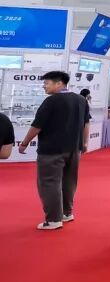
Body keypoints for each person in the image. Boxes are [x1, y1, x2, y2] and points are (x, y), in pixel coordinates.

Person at [18, 71, 90, 230]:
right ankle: (66, 213)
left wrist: (24, 143)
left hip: (51, 150)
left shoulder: (51, 101)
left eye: (47, 83)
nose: (44, 86)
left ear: (59, 83)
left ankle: (53, 219)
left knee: (49, 183)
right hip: (74, 149)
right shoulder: (81, 100)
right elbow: (86, 123)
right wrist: (84, 143)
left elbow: (37, 126)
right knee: (69, 181)